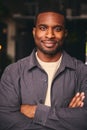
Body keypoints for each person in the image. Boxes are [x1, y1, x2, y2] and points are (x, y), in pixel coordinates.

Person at [0, 1, 87, 130]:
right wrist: (66, 119)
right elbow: (6, 120)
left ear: (65, 33)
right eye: (43, 28)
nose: (50, 35)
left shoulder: (82, 72)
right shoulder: (13, 72)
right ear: (34, 32)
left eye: (57, 29)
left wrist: (36, 111)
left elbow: (84, 120)